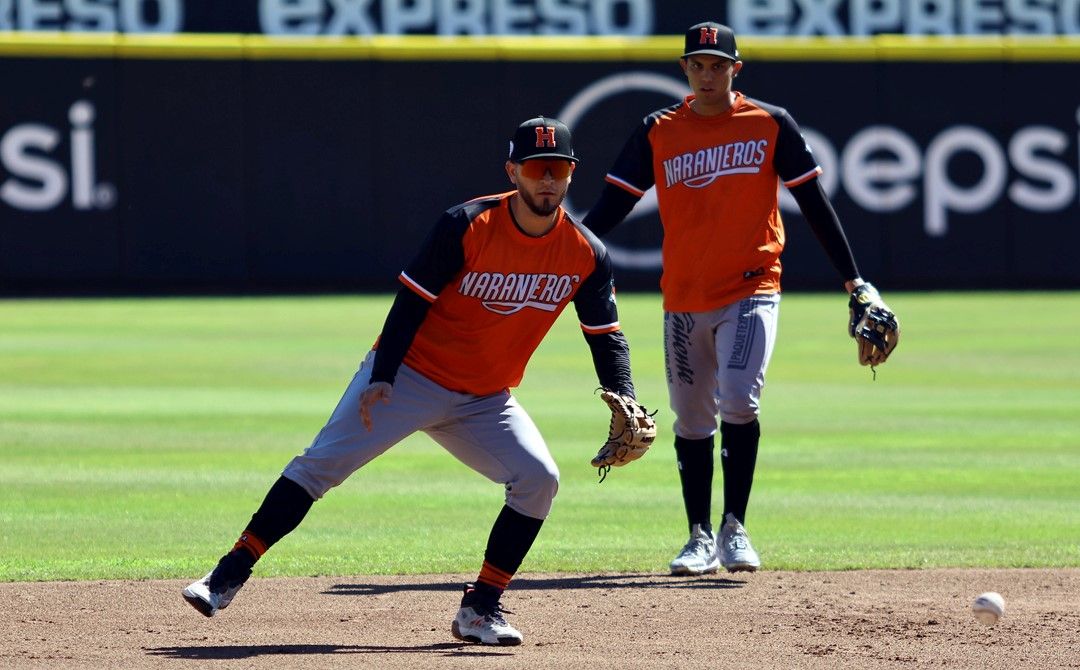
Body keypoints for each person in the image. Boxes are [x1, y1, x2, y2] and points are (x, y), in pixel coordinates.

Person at [182, 116, 648, 646]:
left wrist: (625, 398)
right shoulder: (467, 223)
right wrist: (384, 376)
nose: (549, 180)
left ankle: (480, 609)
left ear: (570, 175)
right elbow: (411, 302)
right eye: (538, 169)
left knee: (539, 479)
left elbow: (605, 335)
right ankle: (227, 575)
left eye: (559, 170)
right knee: (319, 468)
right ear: (513, 170)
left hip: (485, 400)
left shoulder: (585, 252)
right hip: (410, 377)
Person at [583, 22, 897, 576]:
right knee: (690, 417)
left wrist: (856, 282)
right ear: (684, 69)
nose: (708, 75)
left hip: (754, 286)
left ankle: (734, 526)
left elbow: (816, 206)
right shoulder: (658, 130)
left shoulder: (770, 124)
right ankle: (698, 535)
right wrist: (566, 259)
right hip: (683, 296)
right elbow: (610, 208)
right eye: (698, 65)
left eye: (718, 65)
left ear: (736, 69)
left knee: (739, 399)